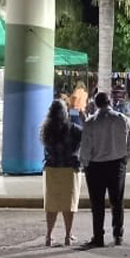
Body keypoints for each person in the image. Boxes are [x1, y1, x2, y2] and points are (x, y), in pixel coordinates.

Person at [80, 92, 130, 248]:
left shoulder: (90, 122)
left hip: (95, 167)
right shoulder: (121, 119)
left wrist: (85, 165)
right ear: (110, 102)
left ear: (96, 104)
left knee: (97, 204)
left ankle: (98, 236)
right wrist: (125, 159)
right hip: (117, 165)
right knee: (117, 202)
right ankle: (118, 235)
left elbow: (85, 148)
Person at [40, 99, 83, 247]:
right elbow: (84, 139)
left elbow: (46, 147)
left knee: (51, 204)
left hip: (52, 168)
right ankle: (67, 235)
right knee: (69, 203)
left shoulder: (46, 130)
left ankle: (49, 236)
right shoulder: (74, 129)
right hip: (70, 169)